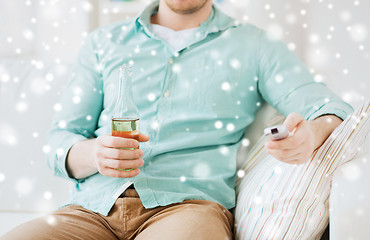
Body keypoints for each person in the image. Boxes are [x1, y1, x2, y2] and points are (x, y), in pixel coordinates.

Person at [1, 0, 353, 239]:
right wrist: (93, 154)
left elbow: (331, 108)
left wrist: (312, 134)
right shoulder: (104, 42)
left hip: (188, 209)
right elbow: (59, 140)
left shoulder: (255, 45)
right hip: (91, 210)